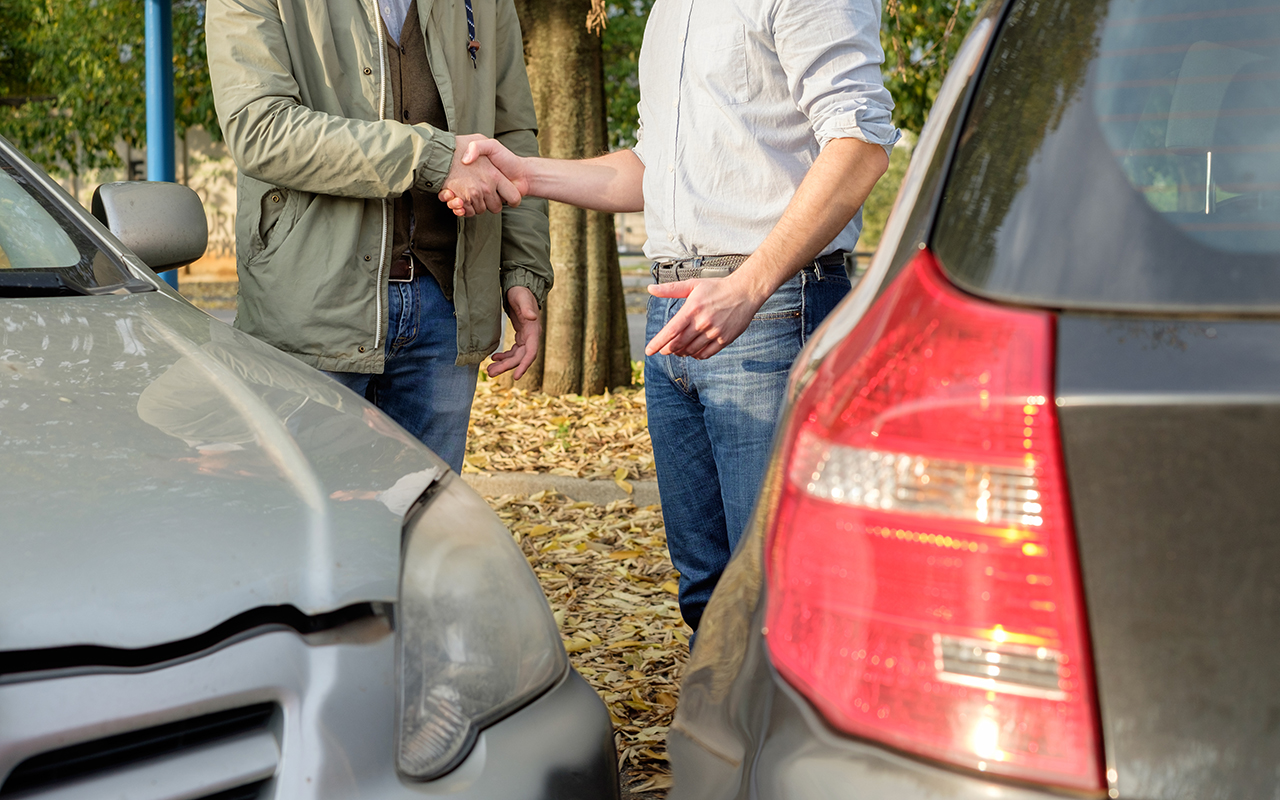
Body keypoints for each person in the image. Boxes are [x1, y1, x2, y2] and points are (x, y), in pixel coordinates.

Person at [444, 0, 898, 631]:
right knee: (707, 591)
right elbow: (652, 172)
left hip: (771, 310)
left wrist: (747, 287)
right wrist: (527, 173)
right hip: (673, 323)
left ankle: (778, 732)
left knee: (771, 588)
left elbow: (860, 141)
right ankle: (721, 730)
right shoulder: (671, 11)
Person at [205, 0, 551, 473]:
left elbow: (513, 135)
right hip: (311, 311)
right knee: (306, 528)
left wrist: (522, 269)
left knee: (420, 529)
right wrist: (433, 156)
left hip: (445, 310)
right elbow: (259, 129)